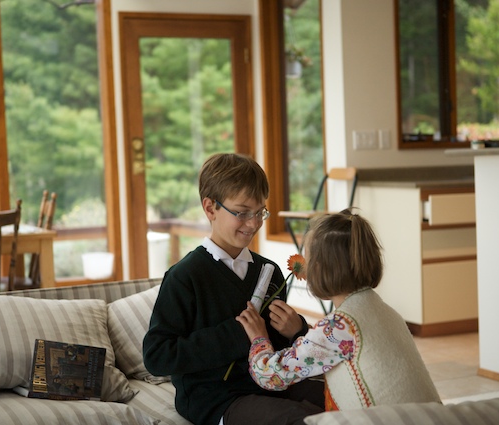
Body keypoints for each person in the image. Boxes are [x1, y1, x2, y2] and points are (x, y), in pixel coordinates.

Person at [143, 153, 324, 425]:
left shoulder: (270, 272)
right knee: (299, 419)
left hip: (272, 381)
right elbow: (157, 356)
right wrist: (239, 334)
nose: (253, 223)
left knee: (340, 399)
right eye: (242, 212)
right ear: (210, 208)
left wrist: (296, 330)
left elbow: (280, 351)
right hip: (217, 398)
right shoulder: (185, 276)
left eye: (260, 212)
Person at [236, 209, 441, 411]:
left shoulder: (339, 326)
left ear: (321, 268)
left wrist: (259, 338)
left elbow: (269, 375)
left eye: (308, 260)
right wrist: (300, 332)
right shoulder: (385, 312)